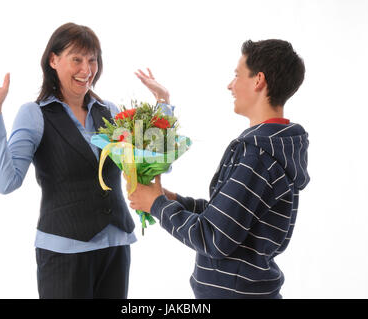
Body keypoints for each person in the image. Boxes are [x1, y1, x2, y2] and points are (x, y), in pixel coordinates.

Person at [0, 22, 171, 299]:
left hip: (116, 246)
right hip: (64, 252)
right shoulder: (34, 114)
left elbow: (151, 162)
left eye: (92, 60)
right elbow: (5, 182)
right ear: (53, 60)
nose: (86, 70)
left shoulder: (109, 110)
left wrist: (163, 101)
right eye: (77, 59)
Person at [128, 39, 310, 299]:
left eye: (237, 75)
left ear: (258, 80)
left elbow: (213, 237)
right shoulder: (267, 148)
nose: (230, 85)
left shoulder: (258, 154)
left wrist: (156, 204)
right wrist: (175, 200)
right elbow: (228, 221)